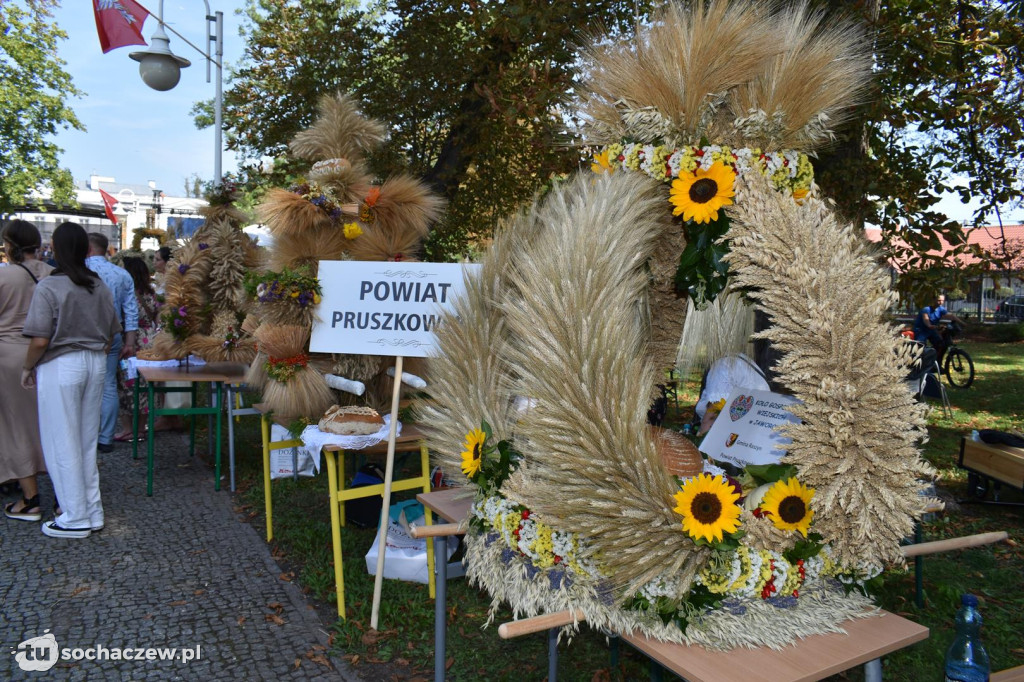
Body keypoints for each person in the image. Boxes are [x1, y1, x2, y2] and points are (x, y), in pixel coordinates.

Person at [22, 222, 121, 538]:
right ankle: (91, 512)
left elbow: (39, 340)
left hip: (62, 364)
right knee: (85, 441)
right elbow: (110, 334)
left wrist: (27, 368)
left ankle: (75, 516)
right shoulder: (99, 285)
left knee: (60, 440)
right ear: (86, 249)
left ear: (56, 247)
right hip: (95, 362)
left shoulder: (49, 287)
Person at [1, 220, 54, 522]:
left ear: (9, 244)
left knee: (15, 427)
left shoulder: (4, 276)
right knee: (50, 424)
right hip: (47, 355)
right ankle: (62, 495)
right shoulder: (53, 275)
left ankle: (30, 499)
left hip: (8, 357)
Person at [86, 233, 138, 453]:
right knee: (108, 385)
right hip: (113, 334)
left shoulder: (78, 271)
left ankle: (85, 435)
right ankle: (106, 437)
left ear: (88, 247)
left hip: (82, 335)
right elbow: (131, 310)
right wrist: (130, 342)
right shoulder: (121, 274)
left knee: (84, 384)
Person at [114, 256, 162, 442]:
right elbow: (158, 319)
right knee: (146, 386)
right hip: (150, 341)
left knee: (126, 385)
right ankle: (141, 428)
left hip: (131, 341)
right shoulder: (153, 294)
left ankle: (127, 429)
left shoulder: (127, 295)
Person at [695, 352, 769, 436]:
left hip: (737, 431)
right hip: (757, 426)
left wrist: (700, 438)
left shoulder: (722, 365)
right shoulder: (741, 360)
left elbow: (712, 413)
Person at [913, 293, 964, 364]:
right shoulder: (926, 309)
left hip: (932, 330)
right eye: (939, 300)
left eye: (942, 301)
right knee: (920, 347)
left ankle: (936, 362)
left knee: (941, 345)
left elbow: (951, 316)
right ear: (933, 300)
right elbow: (926, 319)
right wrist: (929, 325)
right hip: (921, 330)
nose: (941, 302)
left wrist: (962, 323)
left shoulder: (941, 309)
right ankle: (918, 363)